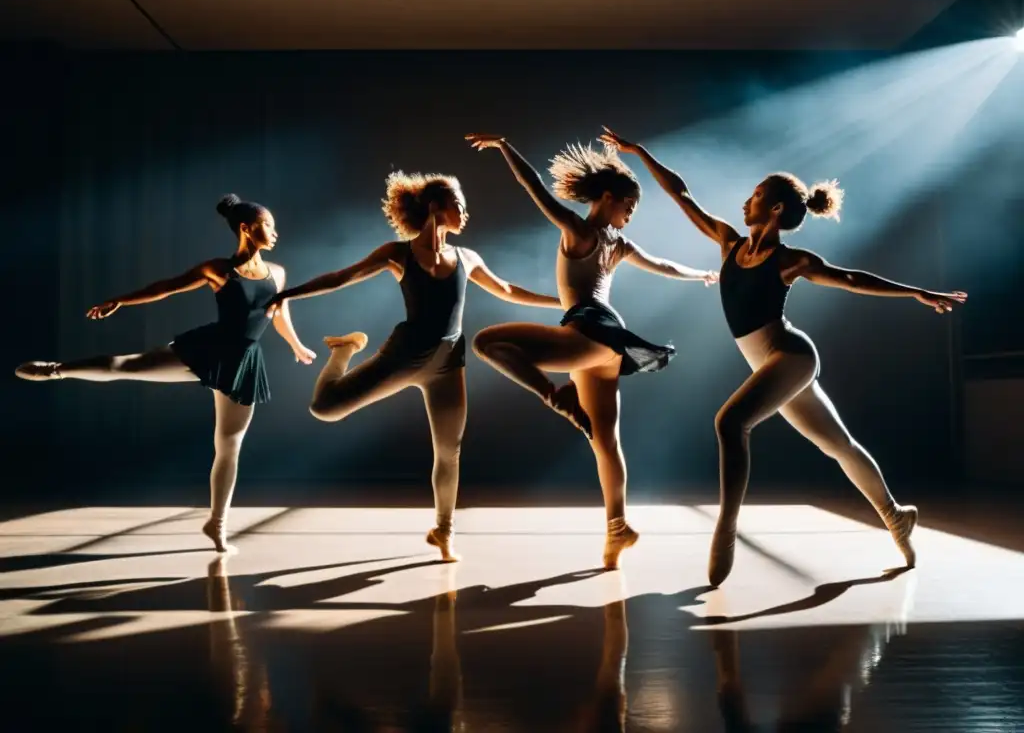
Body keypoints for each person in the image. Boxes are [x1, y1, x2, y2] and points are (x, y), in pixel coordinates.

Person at [599, 126, 967, 585]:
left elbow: (851, 278)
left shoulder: (791, 260)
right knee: (838, 445)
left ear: (773, 208)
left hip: (790, 356)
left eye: (754, 195)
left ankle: (726, 529)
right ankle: (896, 515)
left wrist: (916, 292)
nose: (743, 203)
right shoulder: (729, 243)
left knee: (730, 423)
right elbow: (682, 194)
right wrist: (639, 151)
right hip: (771, 365)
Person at [264, 171, 562, 562]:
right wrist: (290, 293)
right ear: (437, 207)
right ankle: (343, 351)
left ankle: (443, 530)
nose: (467, 212)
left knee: (449, 450)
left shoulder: (467, 258)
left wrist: (562, 303)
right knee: (324, 408)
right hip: (404, 357)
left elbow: (507, 290)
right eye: (460, 204)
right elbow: (342, 277)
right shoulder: (398, 253)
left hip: (447, 366)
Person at [465, 134, 719, 569]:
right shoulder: (588, 232)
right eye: (629, 207)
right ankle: (617, 527)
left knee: (486, 342)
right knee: (606, 441)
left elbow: (663, 266)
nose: (631, 216)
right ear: (608, 197)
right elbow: (537, 190)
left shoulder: (597, 237)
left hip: (589, 332)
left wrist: (699, 275)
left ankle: (554, 397)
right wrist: (508, 148)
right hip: (609, 342)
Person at [15, 194, 315, 553]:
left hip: (244, 363)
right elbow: (166, 287)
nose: (276, 232)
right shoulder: (217, 269)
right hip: (208, 350)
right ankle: (56, 370)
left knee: (228, 446)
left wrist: (296, 346)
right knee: (127, 365)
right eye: (269, 225)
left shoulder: (278, 274)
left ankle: (216, 525)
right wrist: (121, 300)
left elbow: (279, 314)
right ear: (246, 229)